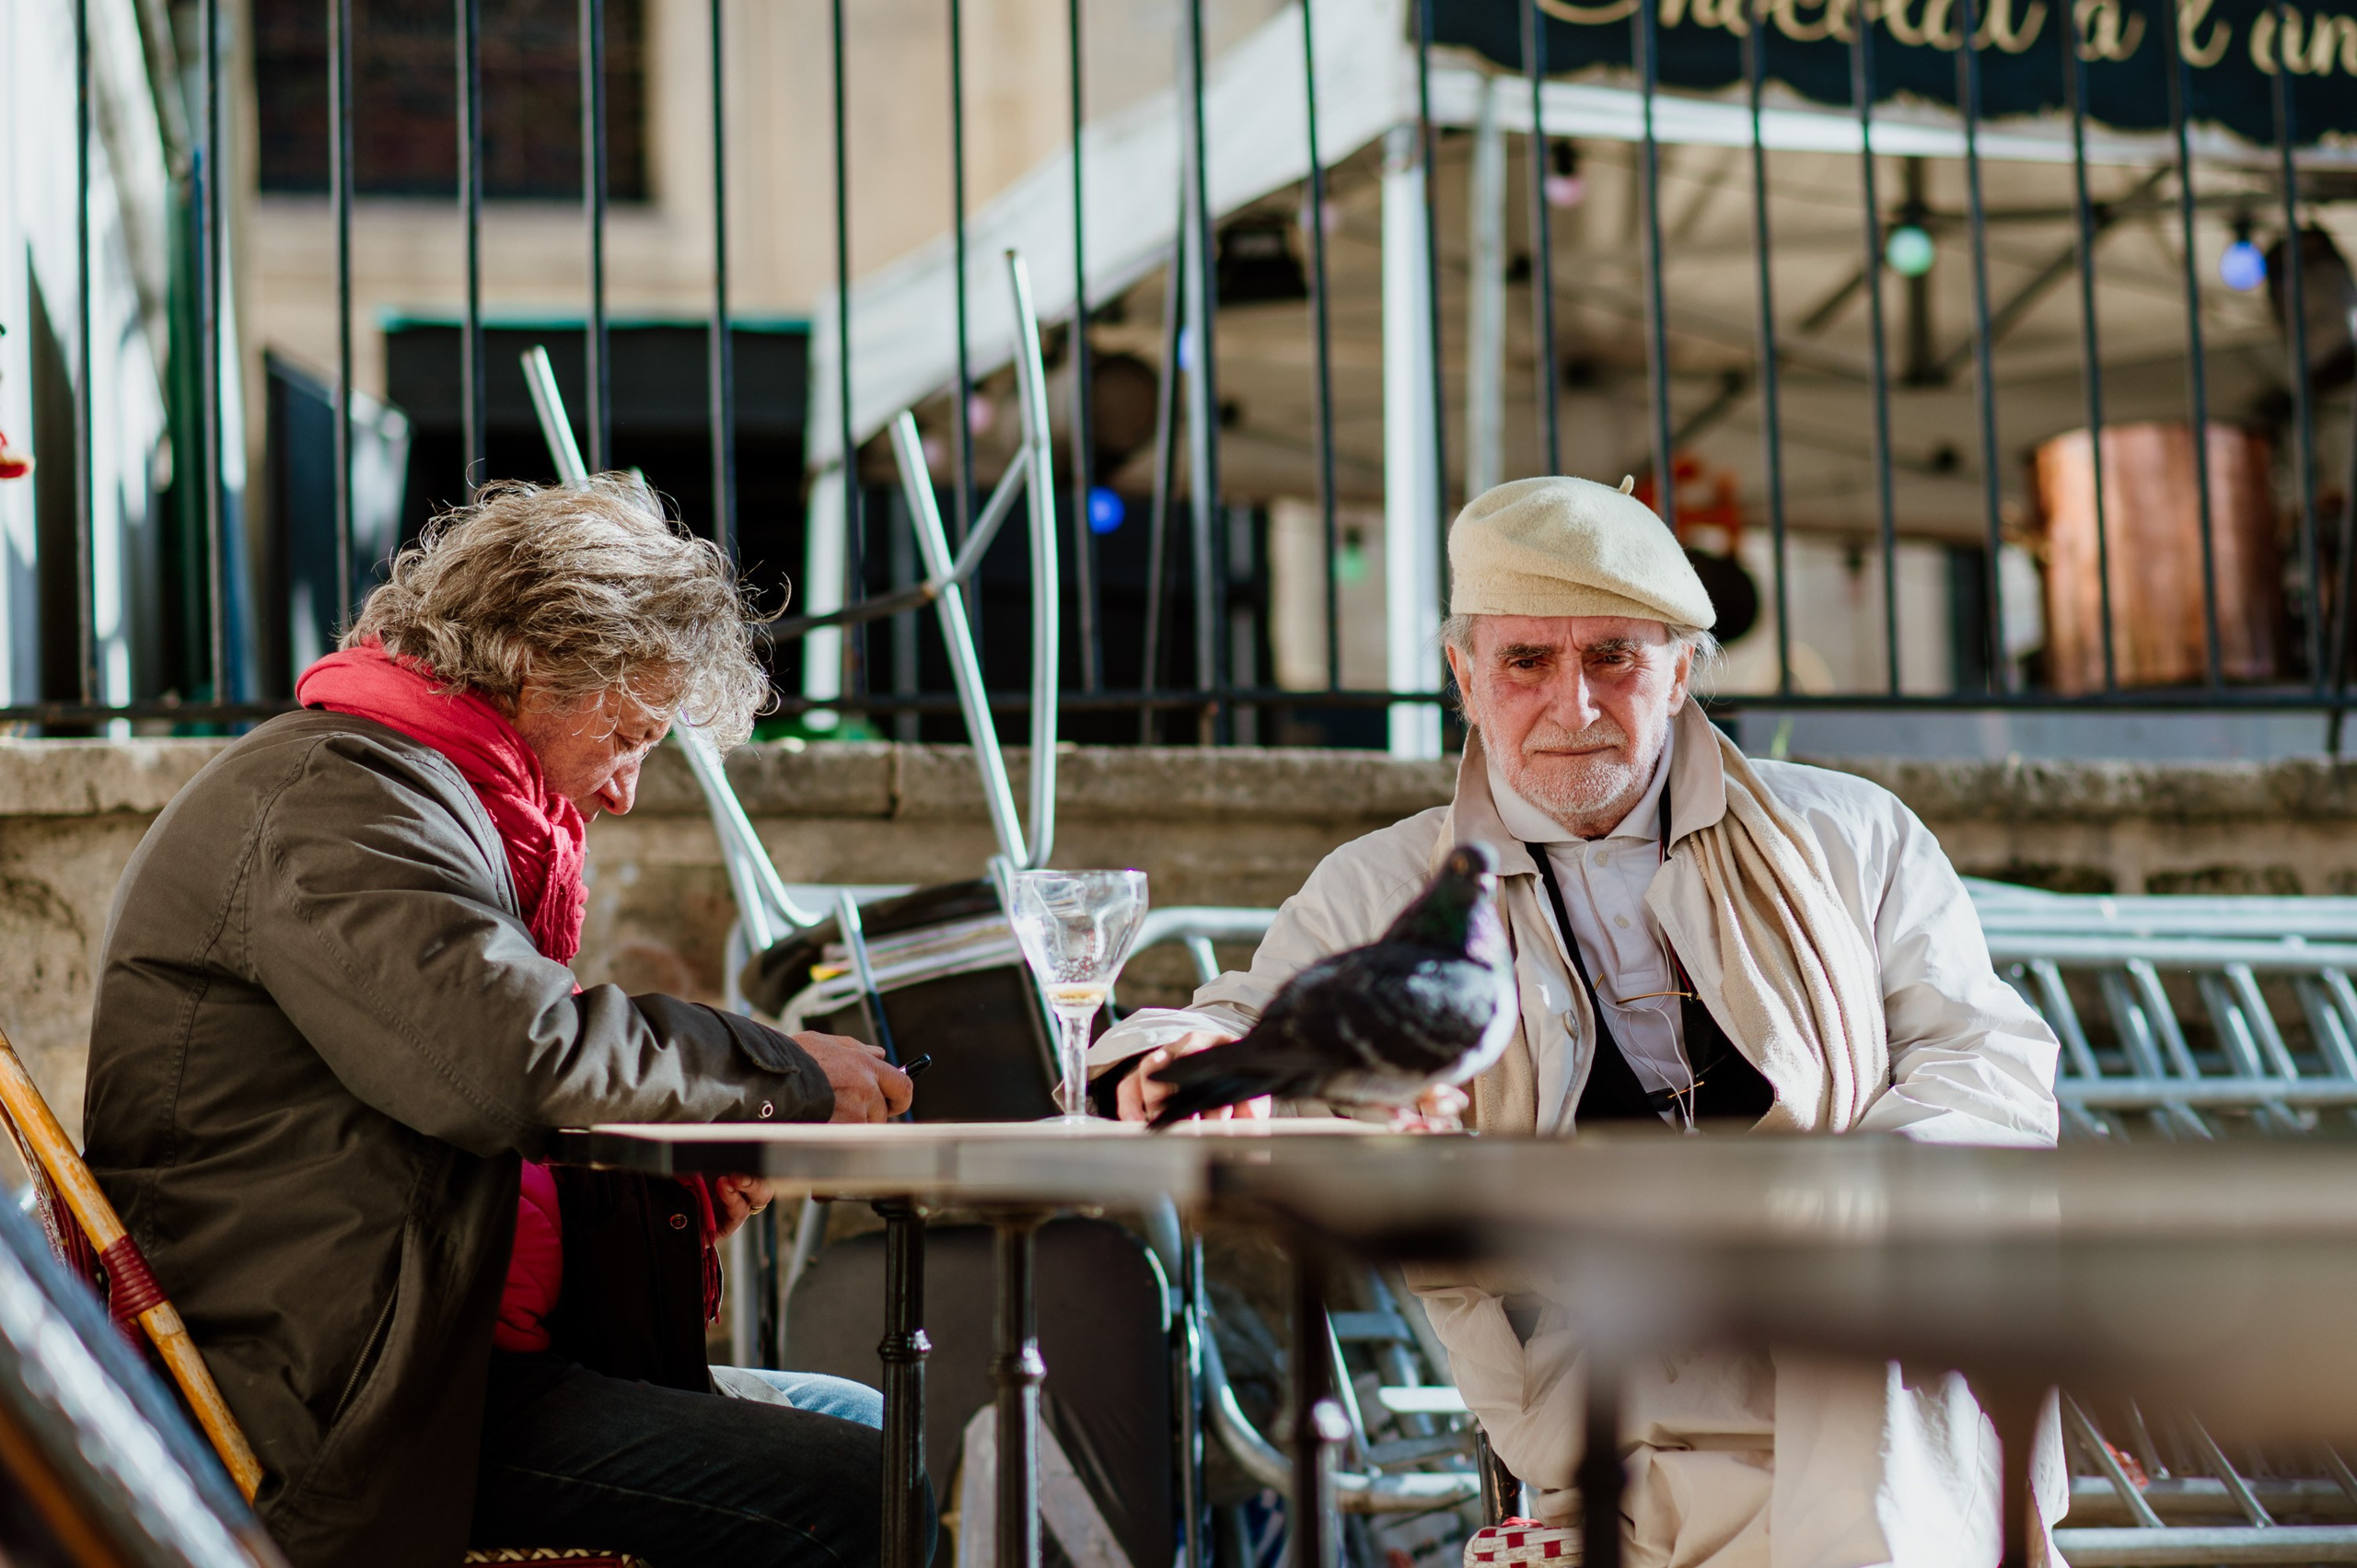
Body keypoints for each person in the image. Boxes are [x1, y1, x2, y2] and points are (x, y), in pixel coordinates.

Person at [1095, 476, 2066, 1566]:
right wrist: (1160, 1058)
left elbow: (1986, 1061)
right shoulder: (1383, 885)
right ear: (1464, 676)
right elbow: (1235, 1028)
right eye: (1525, 661)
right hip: (1599, 1356)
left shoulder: (1850, 832)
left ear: (1683, 668)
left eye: (1614, 655)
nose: (1575, 704)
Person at [83, 477, 923, 1568]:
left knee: (859, 1420)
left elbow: (465, 1120)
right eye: (627, 732)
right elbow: (508, 1061)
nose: (622, 791)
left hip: (420, 1365)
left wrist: (649, 1192)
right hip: (327, 1414)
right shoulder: (336, 800)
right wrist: (780, 1066)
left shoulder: (408, 791)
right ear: (538, 667)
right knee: (850, 1487)